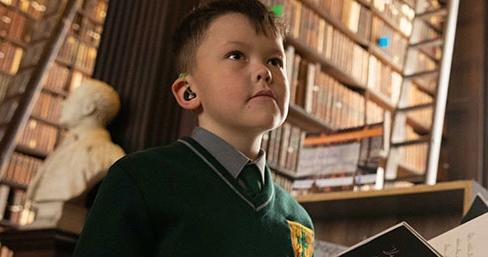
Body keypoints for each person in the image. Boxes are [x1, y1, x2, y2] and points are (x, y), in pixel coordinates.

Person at [74, 1, 314, 256]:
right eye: (236, 55)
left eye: (275, 61)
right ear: (189, 91)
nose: (264, 71)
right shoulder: (140, 180)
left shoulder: (298, 221)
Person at [23, 78, 125, 233]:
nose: (63, 103)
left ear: (88, 108)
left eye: (71, 99)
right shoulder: (62, 148)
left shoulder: (108, 155)